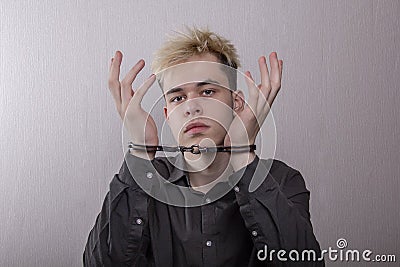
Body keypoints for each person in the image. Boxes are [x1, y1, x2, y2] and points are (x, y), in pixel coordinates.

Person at [83, 27, 324, 266]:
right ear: (168, 115)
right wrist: (139, 151)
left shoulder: (282, 180)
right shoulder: (147, 181)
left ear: (236, 103)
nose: (192, 107)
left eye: (207, 91)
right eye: (178, 98)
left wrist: (242, 153)